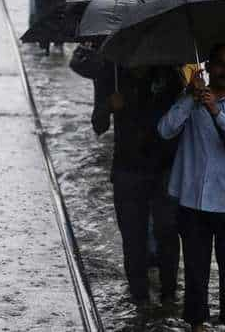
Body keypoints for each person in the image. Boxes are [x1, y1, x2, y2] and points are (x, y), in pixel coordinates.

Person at [157, 44, 225, 332]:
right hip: (193, 201)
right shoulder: (189, 101)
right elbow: (165, 130)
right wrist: (191, 97)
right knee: (195, 270)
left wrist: (216, 111)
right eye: (222, 65)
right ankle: (197, 323)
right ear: (209, 67)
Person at [91, 64, 183, 306]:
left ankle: (170, 295)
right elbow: (98, 125)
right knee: (133, 239)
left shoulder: (170, 72)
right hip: (127, 171)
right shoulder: (110, 72)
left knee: (168, 232)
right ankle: (140, 298)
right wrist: (109, 106)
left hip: (164, 169)